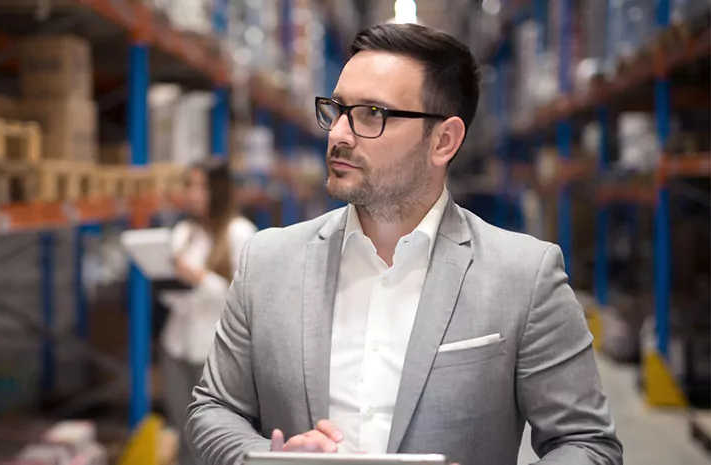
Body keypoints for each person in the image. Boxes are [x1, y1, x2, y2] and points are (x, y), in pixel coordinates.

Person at [185, 23, 623, 465]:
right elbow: (213, 409)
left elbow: (586, 443)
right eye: (336, 109)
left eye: (371, 114)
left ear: (443, 141)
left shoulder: (524, 277)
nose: (338, 133)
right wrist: (264, 457)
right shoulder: (268, 262)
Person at [159, 158, 258, 465]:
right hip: (176, 346)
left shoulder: (241, 233)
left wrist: (199, 278)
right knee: (184, 434)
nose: (193, 194)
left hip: (217, 355)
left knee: (215, 441)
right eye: (190, 186)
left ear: (219, 190)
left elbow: (248, 301)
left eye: (201, 186)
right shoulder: (183, 232)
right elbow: (170, 297)